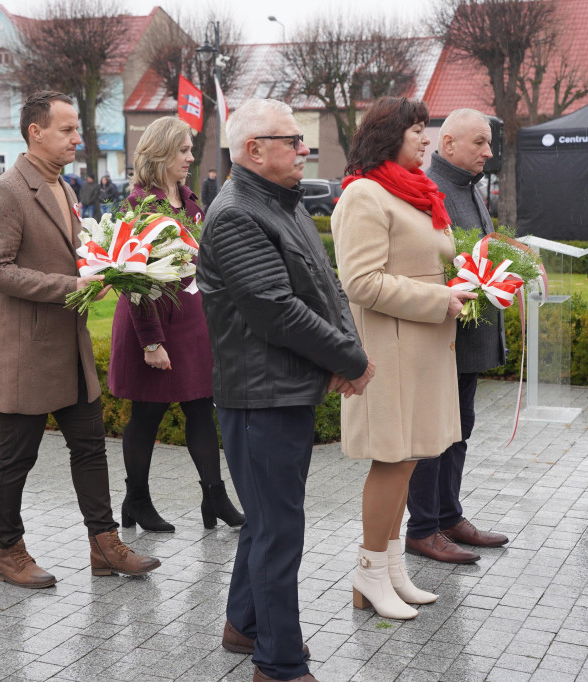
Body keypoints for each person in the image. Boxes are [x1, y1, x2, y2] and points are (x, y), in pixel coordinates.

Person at [197, 98, 373, 682]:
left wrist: (345, 353)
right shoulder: (237, 214)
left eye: (302, 140)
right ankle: (278, 663)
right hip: (259, 399)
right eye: (293, 140)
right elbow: (276, 311)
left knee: (267, 522)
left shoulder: (281, 201)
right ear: (253, 150)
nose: (305, 150)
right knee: (279, 532)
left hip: (283, 391)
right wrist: (350, 358)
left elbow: (326, 287)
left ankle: (243, 626)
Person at [0, 90, 160, 589]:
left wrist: (116, 267)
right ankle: (8, 551)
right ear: (36, 132)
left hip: (71, 350)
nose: (77, 138)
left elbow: (77, 256)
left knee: (91, 448)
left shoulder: (66, 188)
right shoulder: (7, 190)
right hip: (27, 354)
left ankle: (105, 546)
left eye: (76, 129)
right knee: (16, 458)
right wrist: (69, 287)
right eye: (67, 129)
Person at [333, 97, 477, 620]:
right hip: (389, 355)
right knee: (392, 463)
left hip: (423, 351)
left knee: (409, 459)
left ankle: (390, 569)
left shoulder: (415, 193)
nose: (426, 139)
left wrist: (471, 280)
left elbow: (427, 265)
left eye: (426, 129)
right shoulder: (365, 195)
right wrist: (440, 299)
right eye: (417, 130)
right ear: (387, 135)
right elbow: (361, 283)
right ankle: (369, 574)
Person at [109, 116, 243, 533]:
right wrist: (151, 343)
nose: (190, 158)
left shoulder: (190, 204)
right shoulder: (139, 206)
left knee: (202, 408)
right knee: (146, 415)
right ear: (162, 153)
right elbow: (135, 282)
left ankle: (214, 497)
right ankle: (136, 501)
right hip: (149, 323)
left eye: (190, 150)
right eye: (183, 151)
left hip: (189, 324)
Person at [406, 108, 511, 565]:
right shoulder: (432, 190)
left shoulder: (467, 186)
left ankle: (448, 516)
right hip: (442, 335)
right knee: (435, 434)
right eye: (480, 143)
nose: (489, 152)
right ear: (448, 145)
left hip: (464, 337)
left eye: (488, 143)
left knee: (459, 429)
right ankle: (423, 528)